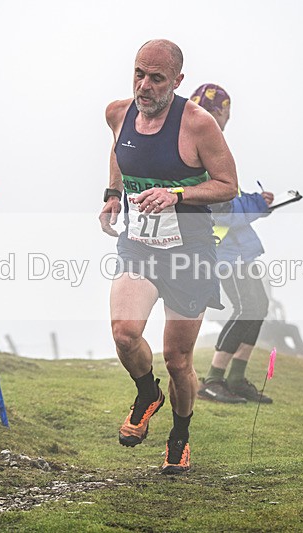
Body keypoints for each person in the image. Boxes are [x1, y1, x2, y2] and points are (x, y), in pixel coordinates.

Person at [99, 40, 238, 474]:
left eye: (156, 78)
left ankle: (179, 437)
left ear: (177, 81)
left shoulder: (198, 124)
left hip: (190, 254)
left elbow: (228, 185)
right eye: (139, 74)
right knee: (125, 334)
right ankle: (147, 393)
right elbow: (119, 152)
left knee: (178, 361)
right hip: (139, 245)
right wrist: (112, 195)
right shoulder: (117, 113)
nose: (144, 85)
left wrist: (176, 194)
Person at [190, 84, 275, 404]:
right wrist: (256, 205)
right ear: (219, 111)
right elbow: (222, 210)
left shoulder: (209, 146)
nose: (226, 120)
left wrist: (255, 200)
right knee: (247, 308)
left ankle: (236, 379)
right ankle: (213, 379)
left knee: (258, 307)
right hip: (223, 251)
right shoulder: (203, 148)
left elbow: (228, 198)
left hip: (237, 249)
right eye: (226, 113)